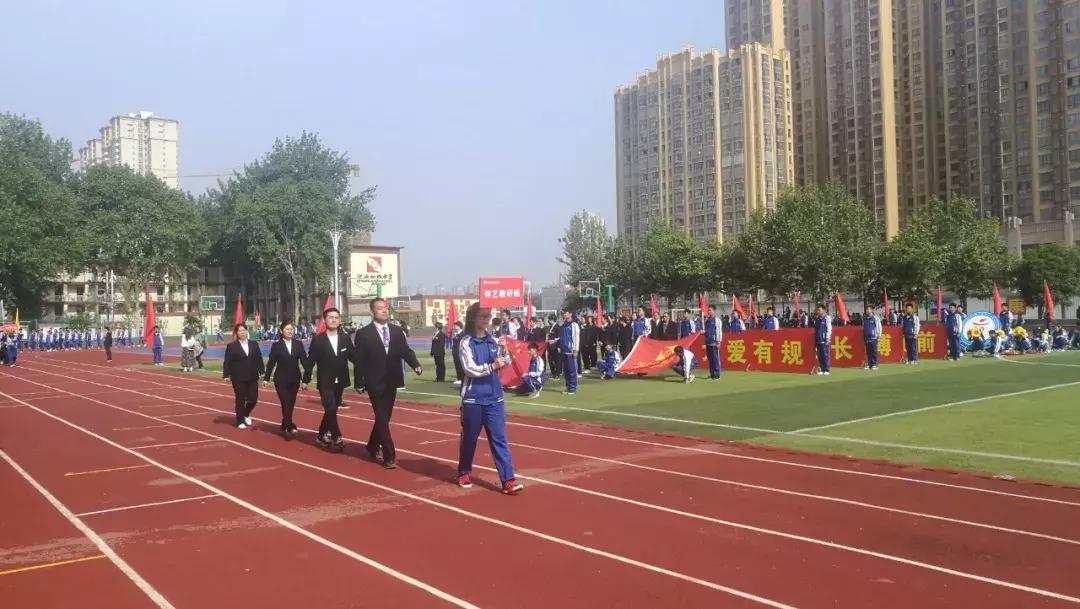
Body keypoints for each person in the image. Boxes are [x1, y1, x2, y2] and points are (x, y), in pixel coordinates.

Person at [456, 302, 523, 494]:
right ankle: (464, 471)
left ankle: (508, 480)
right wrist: (492, 366)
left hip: (494, 398)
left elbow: (506, 362)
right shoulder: (466, 342)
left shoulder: (494, 340)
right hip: (473, 399)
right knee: (469, 439)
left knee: (499, 439)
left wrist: (503, 349)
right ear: (473, 318)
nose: (486, 319)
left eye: (488, 316)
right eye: (482, 316)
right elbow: (469, 369)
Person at [354, 298, 421, 469]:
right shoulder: (364, 334)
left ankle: (372, 446)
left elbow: (405, 351)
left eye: (385, 308)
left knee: (385, 417)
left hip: (392, 379)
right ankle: (389, 454)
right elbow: (359, 360)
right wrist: (359, 382)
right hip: (374, 381)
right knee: (382, 418)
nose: (384, 311)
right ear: (372, 312)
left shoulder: (396, 331)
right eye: (379, 308)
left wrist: (415, 364)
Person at [303, 307, 357, 452]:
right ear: (325, 320)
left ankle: (321, 435)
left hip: (341, 380)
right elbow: (311, 361)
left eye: (336, 317)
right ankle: (337, 437)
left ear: (340, 320)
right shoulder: (318, 340)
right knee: (331, 408)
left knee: (332, 410)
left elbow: (354, 357)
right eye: (331, 317)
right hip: (325, 381)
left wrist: (367, 368)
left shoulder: (345, 338)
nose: (334, 320)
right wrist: (305, 380)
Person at [263, 320, 307, 438]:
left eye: (291, 329)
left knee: (290, 403)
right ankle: (288, 427)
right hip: (281, 379)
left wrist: (307, 377)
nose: (290, 331)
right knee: (285, 402)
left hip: (295, 379)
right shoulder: (276, 345)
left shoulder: (298, 344)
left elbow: (304, 361)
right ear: (281, 331)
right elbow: (271, 363)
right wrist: (266, 378)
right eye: (287, 329)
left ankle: (285, 424)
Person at [222, 323, 265, 430]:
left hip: (252, 376)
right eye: (240, 331)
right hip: (238, 377)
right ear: (237, 333)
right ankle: (240, 421)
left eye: (244, 330)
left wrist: (262, 371)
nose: (242, 332)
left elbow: (258, 358)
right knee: (240, 399)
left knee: (253, 399)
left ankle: (246, 413)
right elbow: (227, 361)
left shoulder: (254, 344)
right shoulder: (232, 346)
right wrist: (226, 374)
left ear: (247, 331)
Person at [558, 310, 580, 395]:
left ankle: (572, 388)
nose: (564, 314)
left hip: (571, 351)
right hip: (563, 351)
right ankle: (568, 387)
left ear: (570, 314)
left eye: (566, 313)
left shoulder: (574, 325)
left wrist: (575, 350)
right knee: (566, 371)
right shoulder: (563, 325)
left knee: (572, 370)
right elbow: (561, 337)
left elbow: (576, 338)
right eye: (563, 313)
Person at [703, 305, 722, 380]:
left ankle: (717, 375)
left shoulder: (717, 320)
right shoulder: (707, 320)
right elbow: (707, 331)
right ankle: (712, 374)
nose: (709, 311)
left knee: (715, 359)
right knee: (710, 360)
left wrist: (718, 342)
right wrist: (703, 332)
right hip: (708, 342)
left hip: (714, 343)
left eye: (710, 310)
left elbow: (719, 331)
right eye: (708, 310)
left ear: (714, 311)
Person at [814, 304, 832, 375]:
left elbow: (829, 329)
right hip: (818, 339)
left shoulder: (827, 318)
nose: (818, 311)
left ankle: (826, 369)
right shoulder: (817, 319)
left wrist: (828, 338)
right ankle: (822, 369)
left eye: (819, 310)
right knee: (820, 355)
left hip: (824, 340)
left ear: (824, 310)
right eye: (818, 310)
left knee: (825, 355)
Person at [862, 305, 882, 370]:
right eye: (866, 309)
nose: (867, 311)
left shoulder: (875, 318)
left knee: (873, 351)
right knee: (868, 352)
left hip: (873, 338)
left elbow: (879, 327)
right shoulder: (865, 319)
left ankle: (874, 365)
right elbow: (863, 328)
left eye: (868, 309)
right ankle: (869, 364)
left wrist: (879, 336)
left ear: (872, 310)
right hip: (866, 338)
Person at [451, 320, 466, 385]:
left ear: (459, 326)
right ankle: (459, 378)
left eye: (455, 326)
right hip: (455, 351)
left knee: (460, 366)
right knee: (457, 365)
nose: (454, 327)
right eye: (454, 326)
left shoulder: (462, 334)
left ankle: (462, 379)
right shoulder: (455, 334)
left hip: (460, 352)